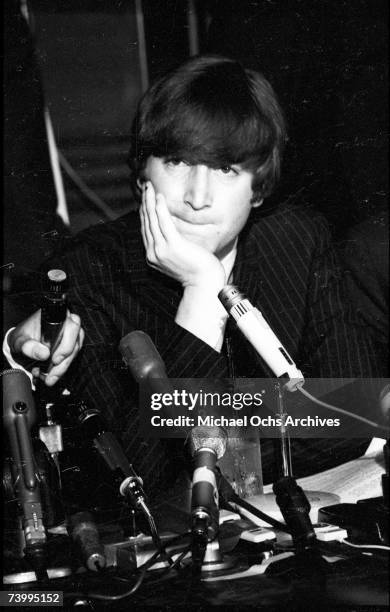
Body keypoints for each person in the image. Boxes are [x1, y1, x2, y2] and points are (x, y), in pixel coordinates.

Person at [4, 55, 381, 495]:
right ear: (144, 173)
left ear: (258, 188)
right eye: (177, 162)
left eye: (225, 169)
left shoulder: (298, 239)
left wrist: (217, 441)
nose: (197, 197)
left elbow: (355, 414)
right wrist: (201, 293)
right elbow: (146, 477)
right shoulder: (88, 271)